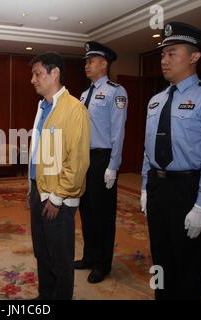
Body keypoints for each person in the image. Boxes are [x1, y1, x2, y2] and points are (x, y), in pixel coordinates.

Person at [140, 22, 201, 300]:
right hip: (158, 186)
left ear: (194, 57)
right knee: (160, 254)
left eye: (172, 53)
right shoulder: (155, 100)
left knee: (188, 260)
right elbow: (148, 148)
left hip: (187, 189)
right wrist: (145, 186)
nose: (164, 60)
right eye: (162, 54)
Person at [28, 52, 90, 299]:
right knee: (42, 252)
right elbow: (37, 153)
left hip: (58, 197)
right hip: (38, 189)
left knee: (60, 256)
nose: (33, 80)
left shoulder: (75, 109)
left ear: (55, 74)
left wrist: (57, 197)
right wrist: (30, 188)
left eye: (37, 74)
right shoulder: (43, 106)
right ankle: (46, 297)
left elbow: (78, 162)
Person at [74, 42, 128, 284]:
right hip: (84, 158)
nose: (86, 65)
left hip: (102, 158)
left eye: (91, 61)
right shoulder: (85, 94)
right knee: (86, 210)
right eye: (86, 61)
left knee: (102, 214)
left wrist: (113, 166)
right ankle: (89, 256)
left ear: (104, 63)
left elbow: (118, 131)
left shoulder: (116, 91)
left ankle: (103, 263)